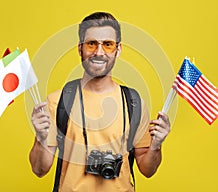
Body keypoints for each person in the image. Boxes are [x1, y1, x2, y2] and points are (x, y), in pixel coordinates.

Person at [29, 12, 171, 192]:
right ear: (80, 49)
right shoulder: (58, 101)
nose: (99, 52)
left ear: (118, 50)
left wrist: (157, 146)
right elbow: (39, 169)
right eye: (91, 44)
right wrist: (41, 138)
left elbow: (148, 170)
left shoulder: (134, 103)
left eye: (108, 45)